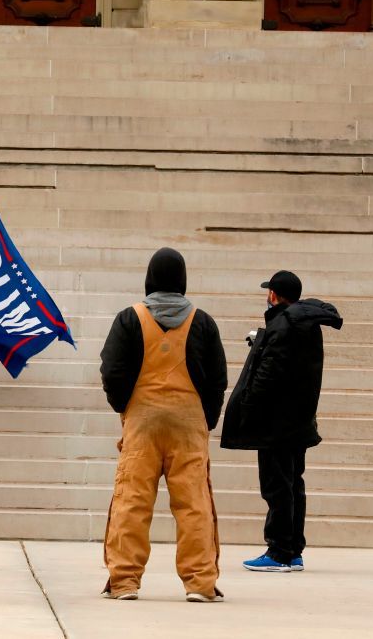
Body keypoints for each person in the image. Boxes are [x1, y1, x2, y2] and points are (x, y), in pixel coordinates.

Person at [98, 247, 228, 603]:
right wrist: (207, 419)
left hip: (142, 423)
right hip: (188, 425)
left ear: (150, 278)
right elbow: (218, 379)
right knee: (194, 503)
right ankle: (200, 582)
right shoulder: (202, 321)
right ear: (183, 280)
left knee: (132, 501)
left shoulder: (129, 318)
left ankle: (124, 580)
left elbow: (111, 370)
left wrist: (124, 408)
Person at [221, 270, 342, 573]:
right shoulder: (307, 325)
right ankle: (293, 551)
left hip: (276, 424)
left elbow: (268, 375)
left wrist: (248, 406)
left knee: (276, 486)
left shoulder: (282, 325)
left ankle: (278, 552)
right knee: (293, 484)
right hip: (298, 421)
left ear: (274, 295)